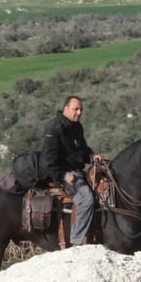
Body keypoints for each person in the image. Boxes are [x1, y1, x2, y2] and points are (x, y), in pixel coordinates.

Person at [40, 95, 101, 247]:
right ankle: (76, 241)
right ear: (66, 109)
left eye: (81, 109)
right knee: (87, 199)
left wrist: (93, 156)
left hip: (78, 171)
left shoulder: (77, 126)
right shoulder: (54, 127)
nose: (79, 112)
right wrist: (63, 176)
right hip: (63, 175)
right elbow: (48, 161)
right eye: (76, 109)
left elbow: (82, 150)